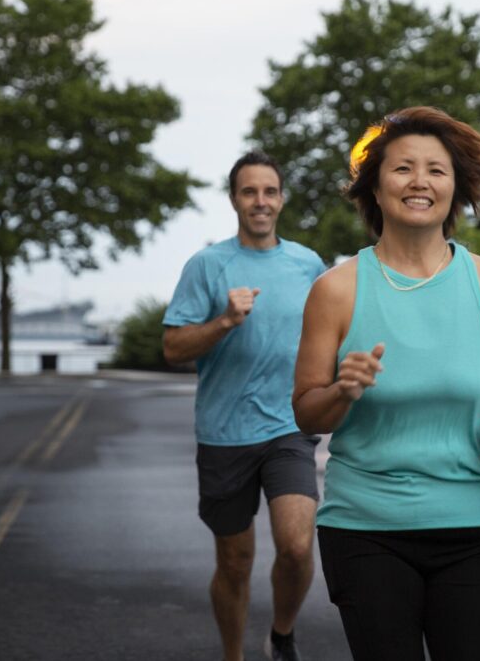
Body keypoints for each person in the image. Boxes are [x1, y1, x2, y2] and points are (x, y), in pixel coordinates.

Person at [291, 107, 480, 661]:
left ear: (457, 189)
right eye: (403, 169)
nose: (420, 181)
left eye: (436, 170)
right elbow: (306, 411)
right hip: (367, 528)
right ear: (374, 188)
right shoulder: (337, 290)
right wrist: (343, 391)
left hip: (472, 522)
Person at [163, 151, 326, 661]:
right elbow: (172, 348)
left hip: (288, 427)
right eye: (249, 191)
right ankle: (233, 655)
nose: (260, 201)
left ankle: (281, 634)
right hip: (224, 432)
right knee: (235, 562)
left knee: (298, 547)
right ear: (234, 199)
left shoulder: (307, 264)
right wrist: (224, 322)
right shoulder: (208, 266)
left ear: (281, 198)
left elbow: (331, 336)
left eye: (269, 191)